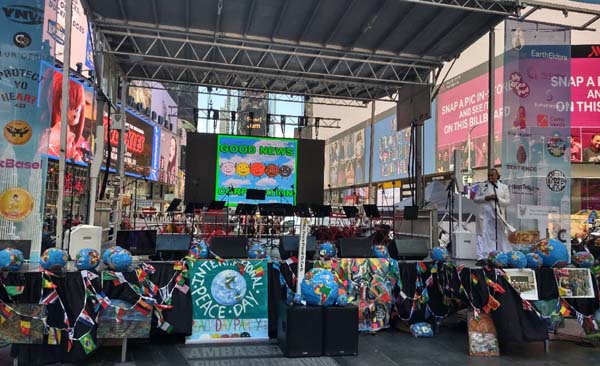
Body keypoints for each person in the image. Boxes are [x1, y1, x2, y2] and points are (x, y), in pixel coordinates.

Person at [473, 169, 514, 260]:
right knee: (484, 233)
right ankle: (483, 256)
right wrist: (485, 197)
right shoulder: (482, 186)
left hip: (497, 213)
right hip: (484, 213)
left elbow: (507, 202)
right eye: (489, 175)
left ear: (497, 176)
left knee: (499, 232)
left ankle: (502, 253)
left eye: (492, 175)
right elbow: (476, 199)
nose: (490, 177)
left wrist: (498, 199)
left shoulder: (504, 187)